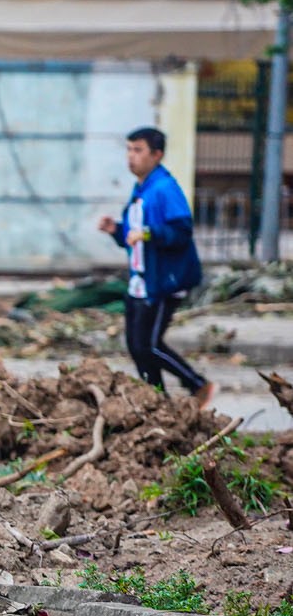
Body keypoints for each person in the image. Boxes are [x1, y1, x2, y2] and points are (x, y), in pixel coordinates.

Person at [99, 126, 214, 408]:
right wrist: (116, 229)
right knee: (137, 347)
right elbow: (135, 234)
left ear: (157, 154)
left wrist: (149, 233)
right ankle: (157, 401)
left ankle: (198, 384)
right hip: (141, 279)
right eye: (129, 149)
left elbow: (180, 231)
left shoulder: (165, 188)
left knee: (148, 345)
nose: (131, 157)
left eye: (138, 150)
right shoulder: (142, 188)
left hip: (164, 281)